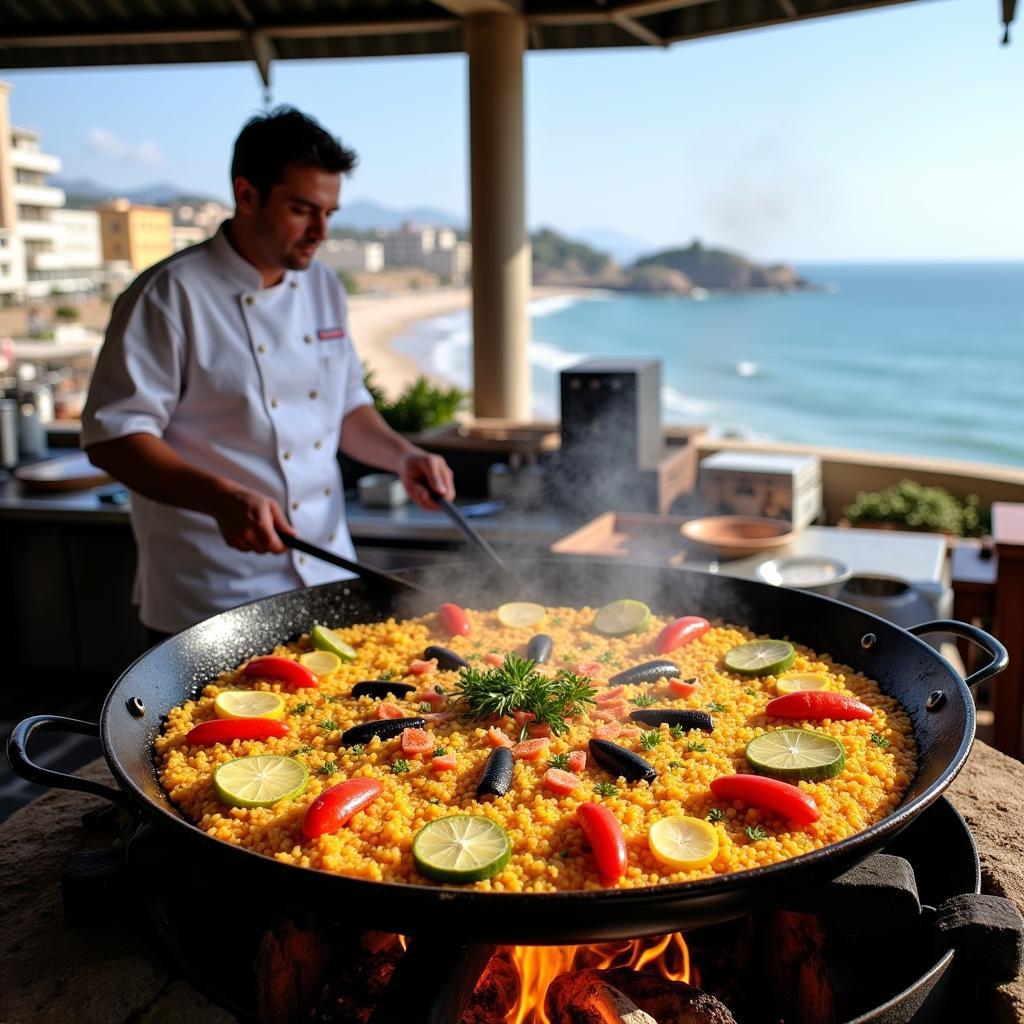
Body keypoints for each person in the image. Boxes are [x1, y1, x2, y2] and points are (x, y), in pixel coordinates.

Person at [82, 107, 454, 642]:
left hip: (328, 579)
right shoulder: (168, 296)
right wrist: (221, 497)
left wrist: (404, 456)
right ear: (247, 194)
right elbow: (114, 437)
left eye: (329, 212)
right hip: (211, 597)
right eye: (303, 210)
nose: (320, 231)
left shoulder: (324, 285)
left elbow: (347, 404)